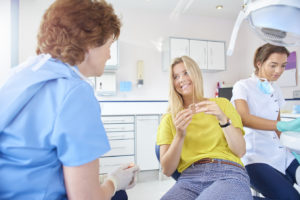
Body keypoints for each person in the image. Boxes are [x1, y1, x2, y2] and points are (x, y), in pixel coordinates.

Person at [0, 0, 139, 199]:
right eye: (109, 45)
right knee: (120, 195)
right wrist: (115, 180)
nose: (109, 55)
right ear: (90, 44)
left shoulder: (21, 75)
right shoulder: (74, 92)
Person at [156, 56, 252, 200]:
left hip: (228, 172)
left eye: (186, 72)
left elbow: (240, 151)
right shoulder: (170, 118)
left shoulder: (222, 104)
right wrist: (180, 135)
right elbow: (167, 170)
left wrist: (222, 119)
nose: (181, 79)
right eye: (176, 76)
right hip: (189, 178)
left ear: (196, 74)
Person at [231, 43, 300, 199]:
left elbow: (278, 127)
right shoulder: (242, 86)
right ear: (259, 63)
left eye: (283, 66)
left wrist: (293, 149)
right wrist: (281, 125)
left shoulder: (275, 89)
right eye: (273, 65)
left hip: (281, 154)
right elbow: (244, 118)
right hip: (255, 156)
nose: (279, 71)